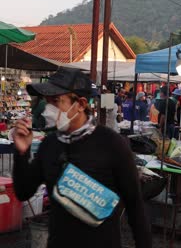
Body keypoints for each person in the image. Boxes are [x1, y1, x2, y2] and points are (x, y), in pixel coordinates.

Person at [12, 68, 151, 248]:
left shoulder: (112, 144)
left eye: (56, 101)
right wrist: (22, 153)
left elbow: (135, 207)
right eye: (47, 102)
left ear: (81, 103)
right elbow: (23, 192)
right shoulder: (50, 144)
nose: (48, 109)